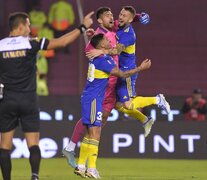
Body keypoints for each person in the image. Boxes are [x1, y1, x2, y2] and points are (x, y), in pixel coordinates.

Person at [62, 6, 170, 168]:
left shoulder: (115, 29)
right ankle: (73, 151)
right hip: (107, 83)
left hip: (114, 82)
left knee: (104, 118)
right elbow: (89, 51)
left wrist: (140, 16)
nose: (114, 17)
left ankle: (85, 164)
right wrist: (99, 50)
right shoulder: (100, 36)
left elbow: (128, 19)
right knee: (96, 120)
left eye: (114, 14)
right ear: (100, 20)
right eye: (108, 15)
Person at [0, 11, 94, 180]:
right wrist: (82, 27)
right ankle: (35, 176)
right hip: (28, 100)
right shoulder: (31, 43)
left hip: (7, 100)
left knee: (4, 146)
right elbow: (62, 42)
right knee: (33, 143)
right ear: (20, 27)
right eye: (28, 25)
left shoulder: (0, 46)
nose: (30, 29)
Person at [74, 33, 152, 178]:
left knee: (91, 132)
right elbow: (122, 74)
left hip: (92, 99)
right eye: (106, 40)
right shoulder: (103, 60)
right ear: (102, 45)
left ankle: (80, 166)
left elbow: (112, 50)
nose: (109, 40)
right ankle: (91, 169)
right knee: (95, 133)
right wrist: (140, 68)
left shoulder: (100, 56)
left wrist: (103, 48)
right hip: (93, 100)